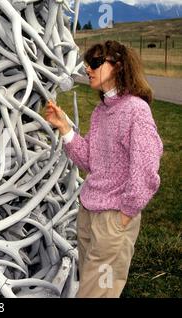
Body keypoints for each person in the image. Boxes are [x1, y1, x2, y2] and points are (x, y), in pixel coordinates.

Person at [44, 40, 163, 298]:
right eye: (88, 62)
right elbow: (90, 161)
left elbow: (146, 168)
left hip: (113, 219)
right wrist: (64, 128)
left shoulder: (136, 110)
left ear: (118, 66)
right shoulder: (102, 111)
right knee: (95, 288)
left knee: (95, 293)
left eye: (96, 62)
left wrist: (125, 214)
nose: (88, 67)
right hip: (88, 215)